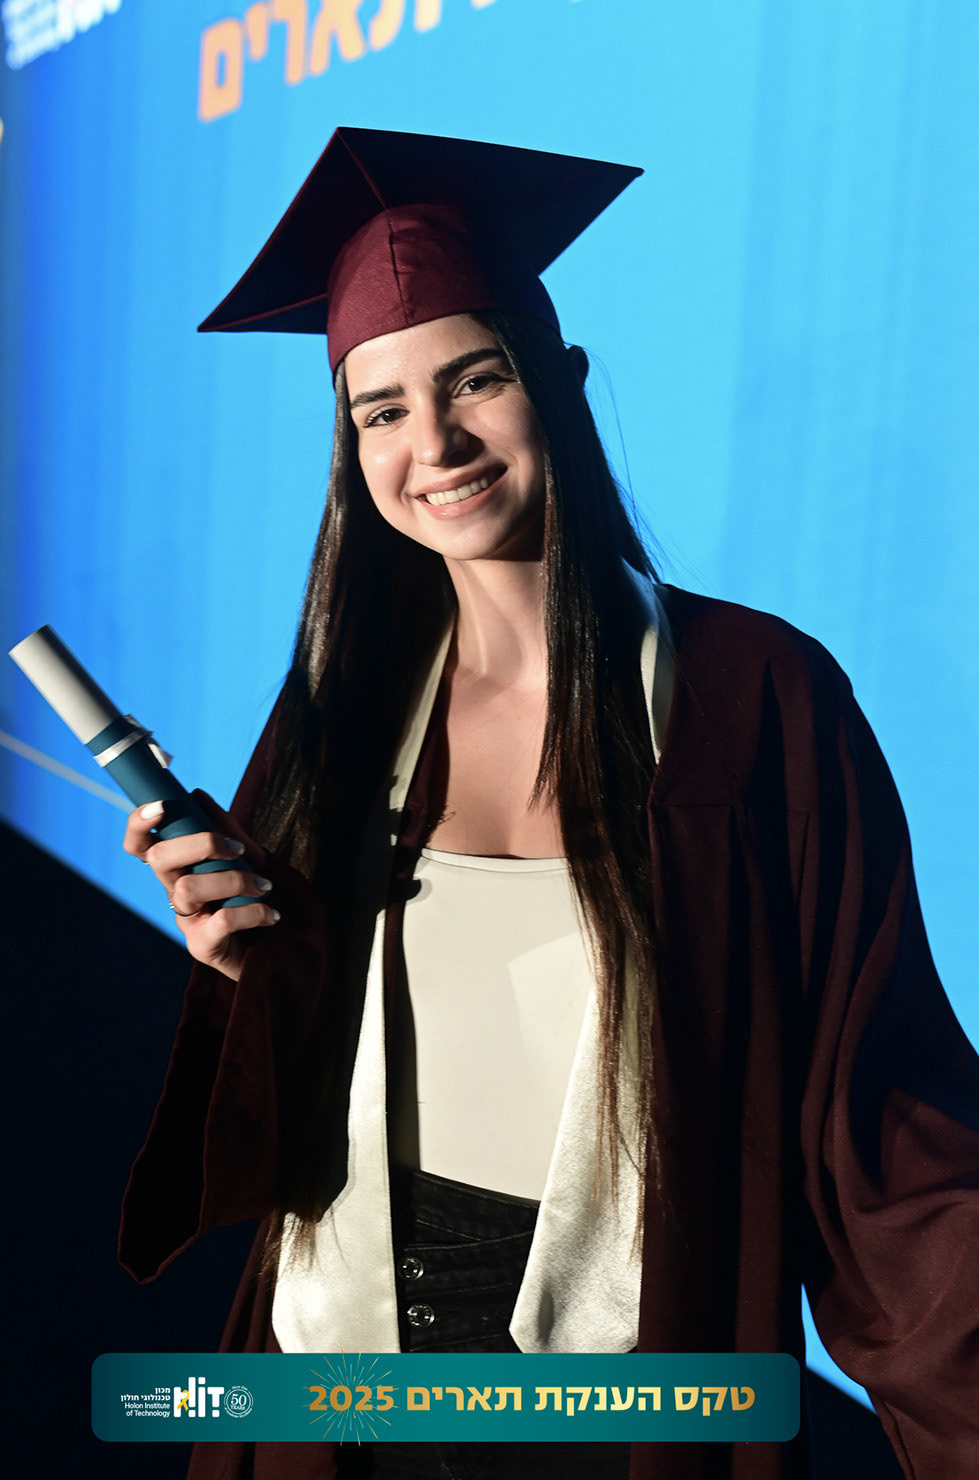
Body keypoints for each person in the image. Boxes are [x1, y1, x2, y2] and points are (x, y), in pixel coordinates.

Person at [117, 129, 979, 1480]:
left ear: (560, 383)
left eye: (476, 379)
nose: (435, 443)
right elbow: (309, 1074)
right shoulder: (342, 712)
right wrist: (247, 963)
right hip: (340, 1375)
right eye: (381, 411)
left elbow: (879, 1105)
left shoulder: (756, 697)